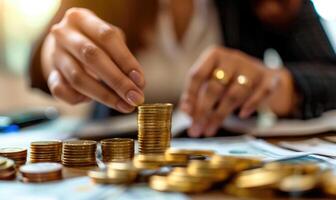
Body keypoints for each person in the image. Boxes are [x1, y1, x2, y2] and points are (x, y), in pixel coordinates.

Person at [29, 0, 336, 138]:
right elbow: (39, 62)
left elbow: (329, 73)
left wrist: (276, 84)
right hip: (118, 159)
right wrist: (55, 57)